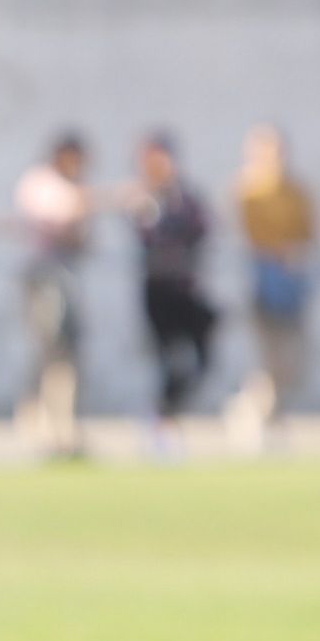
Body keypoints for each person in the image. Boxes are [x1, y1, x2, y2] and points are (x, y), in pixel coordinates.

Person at [127, 133, 216, 461]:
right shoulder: (144, 199)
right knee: (169, 362)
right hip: (158, 292)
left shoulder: (185, 198)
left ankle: (164, 413)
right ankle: (161, 423)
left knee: (202, 361)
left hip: (187, 291)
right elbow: (150, 236)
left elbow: (202, 229)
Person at [233, 123, 315, 451]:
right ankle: (260, 416)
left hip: (292, 281)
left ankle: (266, 411)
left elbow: (310, 232)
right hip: (261, 280)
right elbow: (246, 235)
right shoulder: (246, 189)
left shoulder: (296, 190)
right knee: (268, 357)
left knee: (294, 361)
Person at [13, 133, 93, 459]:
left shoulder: (75, 189)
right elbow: (53, 222)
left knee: (69, 353)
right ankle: (39, 423)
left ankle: (65, 426)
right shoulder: (40, 183)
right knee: (49, 349)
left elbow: (82, 237)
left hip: (66, 277)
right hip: (45, 277)